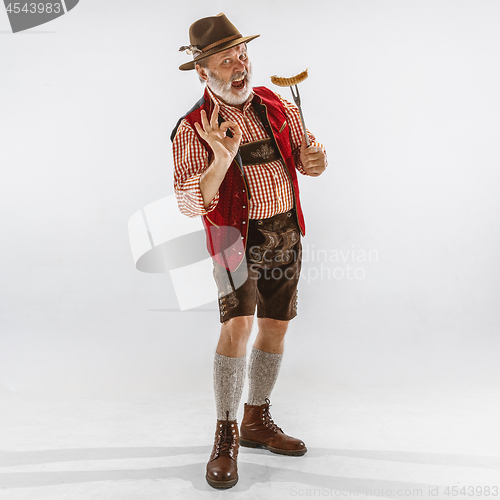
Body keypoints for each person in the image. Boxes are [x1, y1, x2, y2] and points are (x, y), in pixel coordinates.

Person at [171, 13, 327, 489]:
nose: (240, 65)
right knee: (237, 326)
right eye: (226, 59)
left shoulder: (277, 105)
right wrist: (220, 158)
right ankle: (226, 434)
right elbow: (188, 200)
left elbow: (307, 156)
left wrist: (314, 160)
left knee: (276, 326)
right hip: (232, 238)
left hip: (284, 232)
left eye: (242, 54)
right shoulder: (193, 127)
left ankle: (257, 419)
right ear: (203, 71)